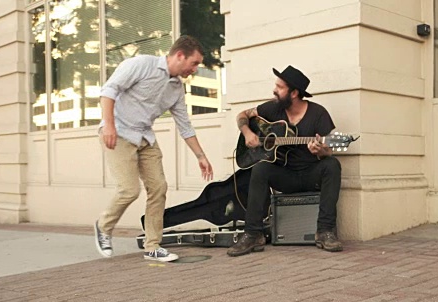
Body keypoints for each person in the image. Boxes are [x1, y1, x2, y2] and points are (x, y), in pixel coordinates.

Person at [94, 35, 213, 262]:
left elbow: (184, 124)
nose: (195, 69)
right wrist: (108, 125)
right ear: (180, 55)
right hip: (119, 132)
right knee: (129, 190)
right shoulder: (141, 65)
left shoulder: (177, 88)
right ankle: (103, 226)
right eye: (194, 63)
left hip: (145, 138)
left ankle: (152, 246)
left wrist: (201, 156)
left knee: (158, 187)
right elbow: (108, 91)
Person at [227, 65, 343, 257]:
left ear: (294, 93)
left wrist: (321, 151)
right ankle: (253, 234)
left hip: (310, 173)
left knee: (332, 165)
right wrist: (247, 133)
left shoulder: (318, 113)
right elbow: (242, 115)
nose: (275, 90)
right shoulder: (272, 108)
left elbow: (328, 150)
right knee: (261, 169)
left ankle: (325, 231)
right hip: (284, 175)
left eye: (280, 87)